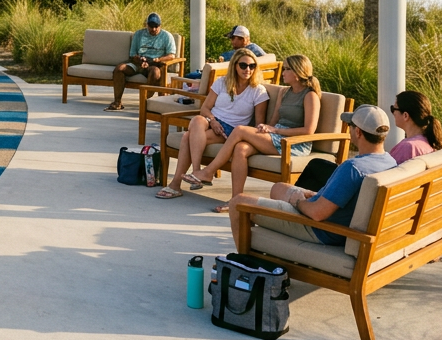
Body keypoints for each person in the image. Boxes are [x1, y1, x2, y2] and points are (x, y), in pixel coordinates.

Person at [229, 104, 396, 248]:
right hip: (333, 217)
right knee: (279, 188)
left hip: (322, 229)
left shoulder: (353, 168)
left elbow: (317, 214)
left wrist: (298, 201)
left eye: (351, 125)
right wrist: (318, 196)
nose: (350, 129)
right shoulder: (390, 162)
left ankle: (245, 262)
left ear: (358, 132)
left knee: (238, 203)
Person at [179, 54, 321, 211]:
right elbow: (273, 121)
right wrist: (265, 129)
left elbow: (309, 131)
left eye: (286, 69)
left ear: (297, 72)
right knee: (241, 148)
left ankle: (208, 172)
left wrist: (275, 130)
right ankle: (236, 200)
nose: (283, 73)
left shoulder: (310, 96)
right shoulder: (284, 92)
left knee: (240, 130)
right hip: (276, 136)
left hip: (294, 143)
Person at [155, 48, 268, 199]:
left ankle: (176, 184)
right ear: (235, 65)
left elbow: (259, 123)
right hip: (213, 120)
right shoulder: (222, 82)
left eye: (252, 66)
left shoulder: (258, 91)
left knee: (187, 137)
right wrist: (213, 121)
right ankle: (197, 171)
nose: (248, 69)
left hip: (232, 129)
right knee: (197, 120)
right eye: (243, 65)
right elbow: (205, 108)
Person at [104, 12, 177, 112]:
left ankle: (145, 103)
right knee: (119, 69)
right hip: (138, 63)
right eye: (151, 26)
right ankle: (117, 102)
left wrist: (158, 59)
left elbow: (172, 55)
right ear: (147, 25)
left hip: (155, 64)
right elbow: (132, 53)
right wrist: (138, 59)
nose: (154, 29)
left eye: (156, 26)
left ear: (160, 25)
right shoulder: (138, 34)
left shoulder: (166, 36)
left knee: (155, 72)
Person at [390, 90, 442, 164]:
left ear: (405, 115)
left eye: (393, 109)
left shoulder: (407, 147)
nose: (393, 113)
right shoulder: (430, 142)